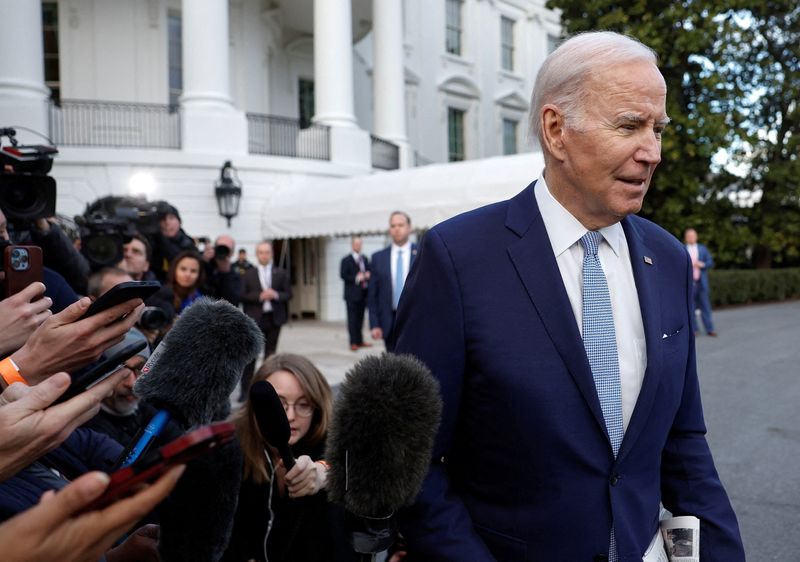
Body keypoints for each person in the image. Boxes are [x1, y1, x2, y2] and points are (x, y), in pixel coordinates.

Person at [392, 31, 744, 561]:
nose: (653, 153)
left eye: (658, 129)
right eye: (629, 125)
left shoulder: (668, 259)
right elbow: (409, 460)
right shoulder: (458, 258)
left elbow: (682, 443)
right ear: (556, 131)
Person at [222, 353, 352, 562]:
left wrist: (321, 472)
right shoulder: (229, 445)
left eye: (303, 404)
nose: (290, 416)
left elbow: (352, 465)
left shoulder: (333, 438)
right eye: (279, 403)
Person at [82, 328, 157, 447]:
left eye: (139, 369)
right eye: (118, 371)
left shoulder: (152, 413)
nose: (132, 383)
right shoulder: (87, 426)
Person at [241, 242, 292, 398]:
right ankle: (245, 392)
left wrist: (275, 295)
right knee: (251, 356)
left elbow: (289, 294)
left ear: (271, 254)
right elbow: (242, 295)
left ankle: (269, 389)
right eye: (261, 252)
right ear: (257, 254)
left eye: (267, 252)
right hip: (255, 319)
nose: (264, 255)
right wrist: (259, 296)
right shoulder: (248, 274)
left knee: (271, 356)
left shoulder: (281, 273)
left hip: (274, 318)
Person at [368, 212, 416, 352]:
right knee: (393, 364)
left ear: (409, 227)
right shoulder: (378, 258)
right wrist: (374, 324)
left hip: (414, 319)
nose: (396, 229)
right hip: (389, 322)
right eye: (393, 225)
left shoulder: (421, 253)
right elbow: (373, 295)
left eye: (400, 225)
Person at [149, 203, 197, 281]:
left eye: (171, 218)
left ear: (179, 222)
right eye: (163, 219)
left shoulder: (188, 243)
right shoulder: (152, 243)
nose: (167, 222)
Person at [340, 237, 371, 351]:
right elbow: (343, 275)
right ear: (352, 245)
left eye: (360, 244)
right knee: (352, 319)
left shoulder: (365, 258)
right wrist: (357, 278)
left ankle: (360, 340)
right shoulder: (346, 260)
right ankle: (353, 342)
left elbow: (369, 270)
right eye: (356, 244)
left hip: (363, 294)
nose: (358, 246)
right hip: (351, 295)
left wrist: (368, 274)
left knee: (360, 318)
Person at [684, 228, 717, 336]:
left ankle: (710, 329)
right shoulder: (683, 248)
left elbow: (710, 262)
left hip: (701, 282)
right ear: (686, 238)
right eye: (689, 236)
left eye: (693, 236)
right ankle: (694, 329)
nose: (691, 238)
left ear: (696, 237)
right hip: (689, 283)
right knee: (690, 307)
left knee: (705, 306)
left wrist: (702, 264)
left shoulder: (702, 249)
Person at [158, 250, 205, 316]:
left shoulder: (202, 302)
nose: (188, 274)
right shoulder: (159, 295)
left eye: (193, 271)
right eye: (183, 269)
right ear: (174, 270)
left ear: (199, 275)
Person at [201, 234, 242, 305]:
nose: (222, 251)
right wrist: (203, 263)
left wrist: (226, 274)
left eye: (226, 249)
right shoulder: (204, 263)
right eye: (220, 248)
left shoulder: (234, 274)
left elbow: (233, 302)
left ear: (231, 253)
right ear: (214, 249)